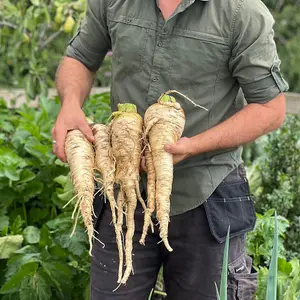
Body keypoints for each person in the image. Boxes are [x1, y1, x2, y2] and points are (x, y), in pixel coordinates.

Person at [52, 0, 289, 299]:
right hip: (123, 190)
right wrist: (70, 104)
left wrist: (193, 145)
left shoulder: (242, 12)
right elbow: (80, 58)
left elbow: (270, 108)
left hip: (206, 193)